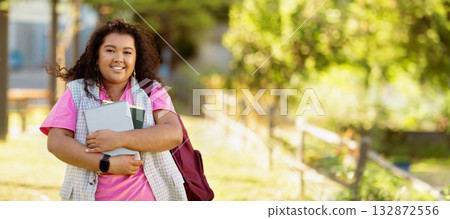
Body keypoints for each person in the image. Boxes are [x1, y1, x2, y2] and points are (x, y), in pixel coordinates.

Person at [40, 18, 187, 201]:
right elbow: (56, 142)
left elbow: (173, 133)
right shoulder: (76, 92)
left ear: (136, 58)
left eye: (127, 52)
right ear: (97, 55)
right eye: (110, 50)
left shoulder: (153, 92)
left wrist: (119, 139)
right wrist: (106, 164)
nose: (119, 58)